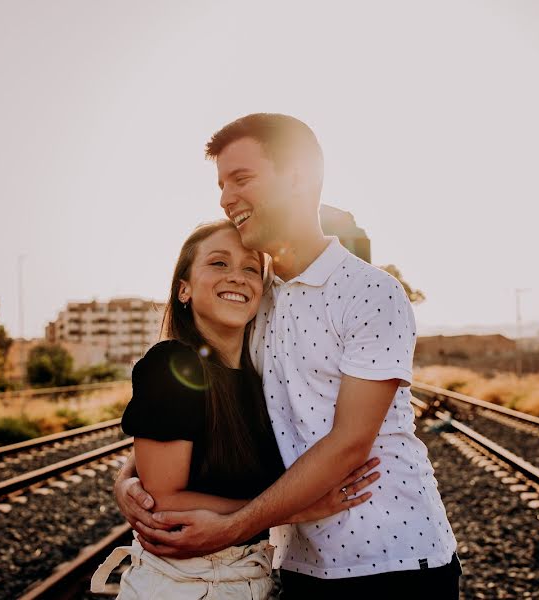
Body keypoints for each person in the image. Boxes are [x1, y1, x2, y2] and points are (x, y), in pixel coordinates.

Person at [116, 113, 462, 598]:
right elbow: (197, 416)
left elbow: (348, 444)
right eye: (220, 184)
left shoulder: (370, 292)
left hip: (391, 560)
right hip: (295, 564)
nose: (225, 197)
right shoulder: (257, 300)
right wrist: (130, 479)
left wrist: (232, 528)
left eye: (241, 178)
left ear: (299, 176)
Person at [91, 220, 380, 598]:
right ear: (184, 289)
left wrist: (124, 477)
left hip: (245, 582)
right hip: (180, 588)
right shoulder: (173, 364)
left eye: (250, 268)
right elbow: (163, 501)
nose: (237, 277)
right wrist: (296, 510)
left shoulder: (261, 378)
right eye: (218, 263)